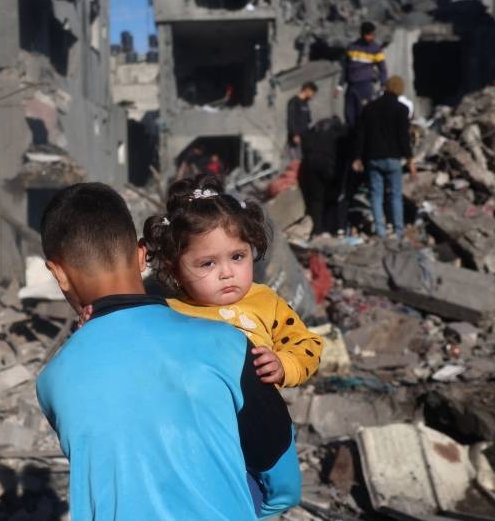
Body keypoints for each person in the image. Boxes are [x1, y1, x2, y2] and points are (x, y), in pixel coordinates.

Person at [36, 182, 300, 520]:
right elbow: (284, 482)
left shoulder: (53, 381)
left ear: (58, 273)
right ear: (141, 255)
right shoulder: (228, 344)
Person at [142, 174, 323, 388]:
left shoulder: (267, 302)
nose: (227, 273)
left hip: (257, 408)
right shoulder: (170, 315)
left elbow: (307, 344)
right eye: (208, 263)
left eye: (237, 257)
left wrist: (284, 365)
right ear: (175, 270)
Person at [351, 76, 416, 239]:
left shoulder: (369, 108)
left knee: (376, 195)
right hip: (393, 158)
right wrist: (410, 158)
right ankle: (398, 231)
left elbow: (361, 135)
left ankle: (380, 231)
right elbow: (403, 137)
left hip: (373, 158)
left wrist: (357, 157)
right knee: (395, 195)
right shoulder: (402, 110)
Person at [299, 116, 347, 237]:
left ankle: (318, 230)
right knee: (332, 198)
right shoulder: (338, 135)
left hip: (310, 167)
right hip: (330, 167)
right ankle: (333, 228)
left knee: (317, 200)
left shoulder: (312, 134)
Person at [337, 21, 388, 126]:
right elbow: (345, 68)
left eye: (372, 34)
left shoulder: (375, 49)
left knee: (364, 115)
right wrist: (340, 86)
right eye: (368, 35)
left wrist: (383, 85)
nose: (371, 37)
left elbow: (383, 69)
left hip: (365, 86)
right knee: (349, 115)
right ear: (362, 33)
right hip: (351, 87)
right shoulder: (352, 47)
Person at [286, 81, 317, 159]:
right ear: (307, 90)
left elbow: (308, 120)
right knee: (296, 161)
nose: (313, 96)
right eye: (313, 93)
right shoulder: (294, 102)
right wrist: (295, 134)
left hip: (304, 137)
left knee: (304, 160)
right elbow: (291, 119)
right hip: (296, 139)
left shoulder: (305, 103)